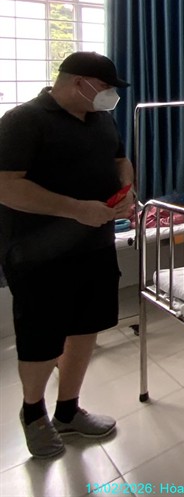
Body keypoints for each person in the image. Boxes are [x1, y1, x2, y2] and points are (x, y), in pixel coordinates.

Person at [0, 51, 135, 459]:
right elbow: (6, 186)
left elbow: (120, 160)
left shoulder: (102, 119)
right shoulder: (23, 121)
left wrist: (127, 189)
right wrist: (76, 209)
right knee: (41, 338)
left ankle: (68, 410)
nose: (111, 96)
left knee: (85, 328)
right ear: (80, 82)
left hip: (95, 246)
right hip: (39, 254)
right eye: (106, 87)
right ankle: (33, 414)